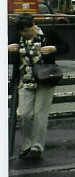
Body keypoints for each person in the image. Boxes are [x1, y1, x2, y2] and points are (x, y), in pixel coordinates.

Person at [7, 14, 60, 160]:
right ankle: (27, 143)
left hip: (45, 79)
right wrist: (6, 49)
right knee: (24, 114)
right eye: (23, 32)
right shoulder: (17, 38)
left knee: (40, 114)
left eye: (29, 30)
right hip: (25, 80)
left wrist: (53, 48)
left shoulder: (48, 33)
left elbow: (66, 47)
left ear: (34, 25)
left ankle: (36, 146)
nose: (27, 34)